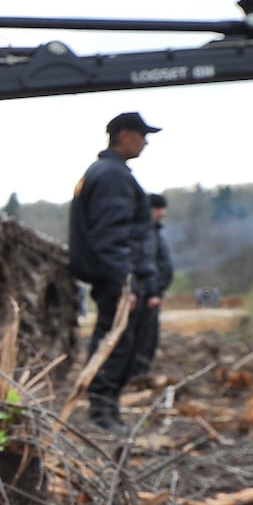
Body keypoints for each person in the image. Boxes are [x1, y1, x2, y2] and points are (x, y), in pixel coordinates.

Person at [68, 112, 161, 433]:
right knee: (114, 343)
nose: (146, 142)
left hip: (121, 277)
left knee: (120, 342)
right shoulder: (111, 176)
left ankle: (109, 409)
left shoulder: (110, 172)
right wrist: (125, 283)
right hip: (118, 279)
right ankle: (102, 414)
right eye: (141, 134)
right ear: (124, 135)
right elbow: (112, 235)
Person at [130, 193, 174, 379]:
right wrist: (151, 293)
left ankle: (141, 373)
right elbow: (143, 265)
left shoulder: (155, 233)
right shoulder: (142, 234)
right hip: (146, 295)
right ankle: (135, 375)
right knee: (141, 338)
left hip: (154, 294)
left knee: (150, 338)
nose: (161, 213)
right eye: (157, 208)